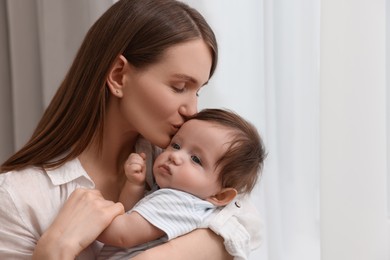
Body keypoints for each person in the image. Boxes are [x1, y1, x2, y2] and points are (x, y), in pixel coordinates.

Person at [0, 0, 262, 259]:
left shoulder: (179, 163)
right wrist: (54, 250)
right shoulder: (18, 196)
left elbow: (248, 222)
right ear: (117, 75)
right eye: (180, 87)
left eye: (198, 91)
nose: (192, 110)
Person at [97, 108, 266, 259]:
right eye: (176, 145)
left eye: (195, 159)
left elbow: (123, 233)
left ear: (220, 195)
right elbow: (128, 215)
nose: (175, 156)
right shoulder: (186, 203)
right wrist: (135, 184)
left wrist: (86, 222)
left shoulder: (177, 202)